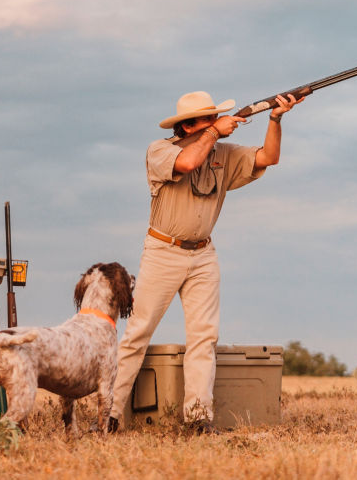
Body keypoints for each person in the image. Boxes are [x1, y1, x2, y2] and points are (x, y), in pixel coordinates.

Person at [108, 90, 303, 432]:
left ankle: (199, 418)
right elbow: (186, 164)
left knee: (204, 337)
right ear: (186, 126)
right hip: (162, 252)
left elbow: (268, 157)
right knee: (137, 334)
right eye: (207, 119)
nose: (214, 123)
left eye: (215, 117)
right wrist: (216, 132)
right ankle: (107, 415)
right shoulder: (160, 150)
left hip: (203, 254)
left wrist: (276, 117)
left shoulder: (222, 153)